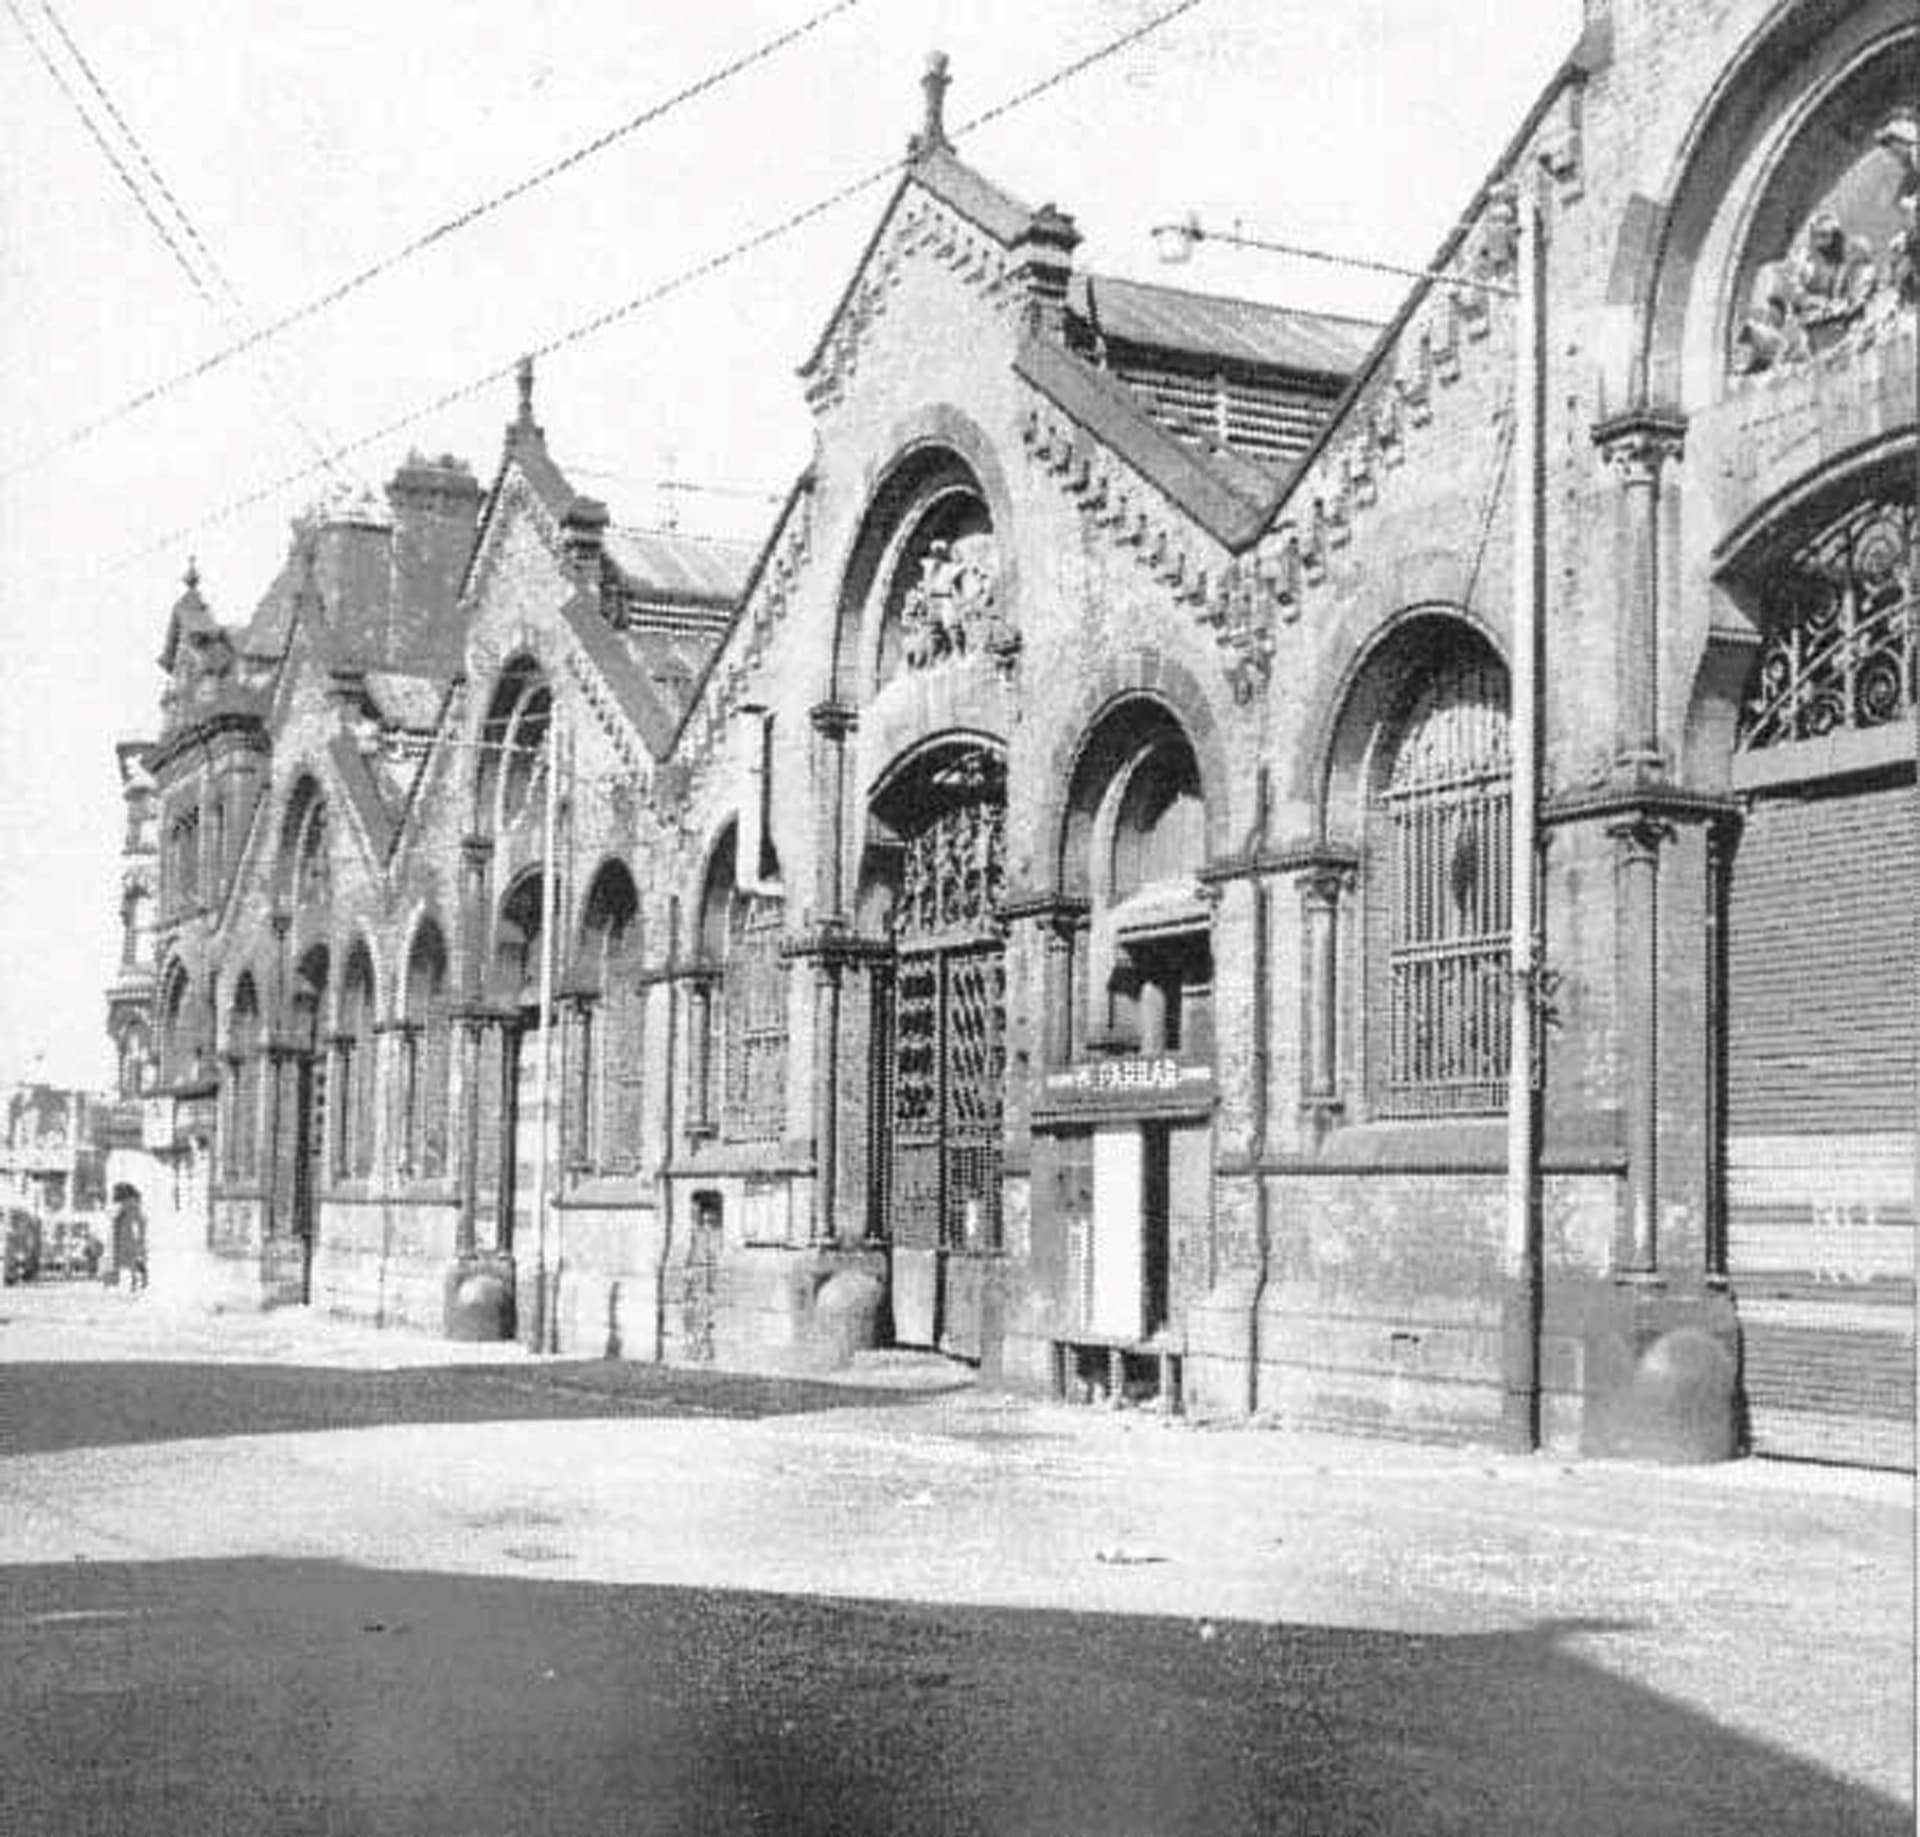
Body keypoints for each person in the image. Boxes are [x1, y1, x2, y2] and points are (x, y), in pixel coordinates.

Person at [109, 1184, 148, 1293]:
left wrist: (138, 1241)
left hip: (128, 1242)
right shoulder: (129, 1206)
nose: (114, 1195)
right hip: (126, 1241)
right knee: (133, 1265)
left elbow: (136, 1224)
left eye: (116, 1192)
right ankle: (136, 1285)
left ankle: (136, 1285)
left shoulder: (130, 1206)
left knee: (133, 1265)